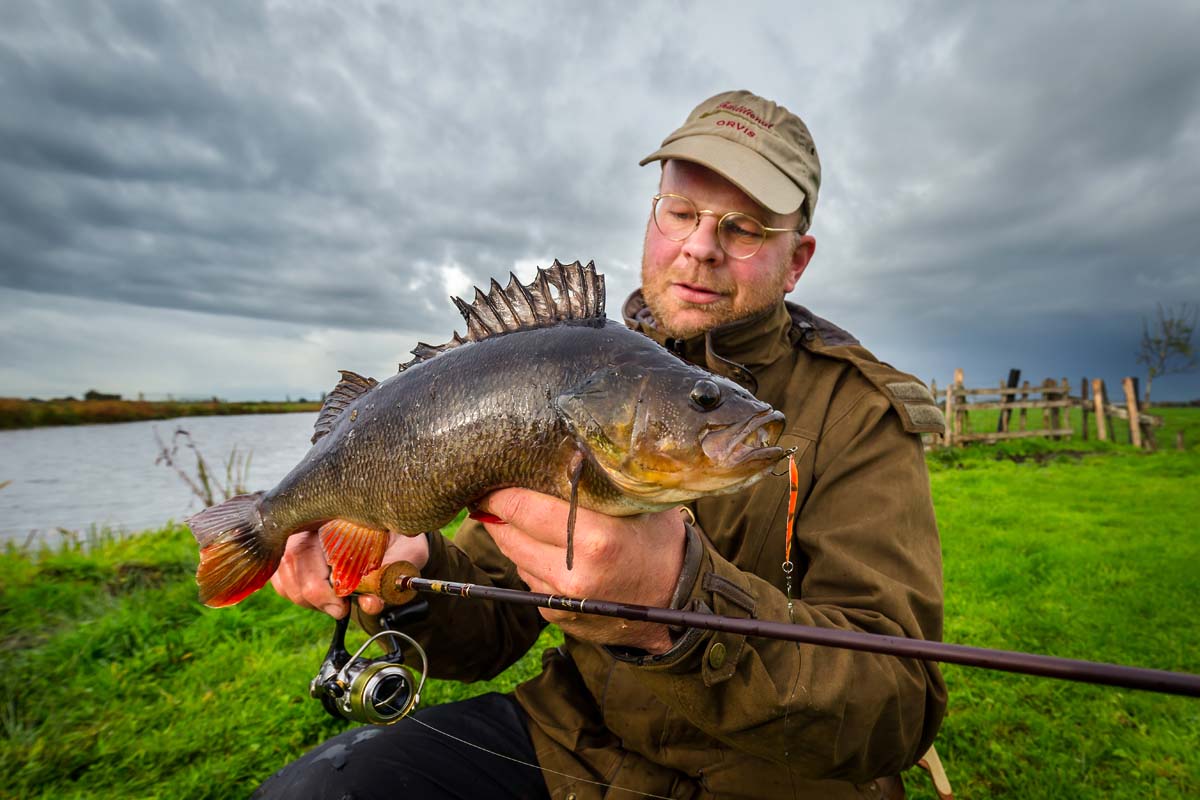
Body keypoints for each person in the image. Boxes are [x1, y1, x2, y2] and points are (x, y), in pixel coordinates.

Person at [255, 90, 947, 800]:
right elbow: (495, 620)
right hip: (579, 744)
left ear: (795, 261)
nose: (700, 247)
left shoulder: (861, 414)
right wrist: (417, 570)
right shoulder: (581, 373)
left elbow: (900, 705)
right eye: (681, 213)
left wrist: (677, 603)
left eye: (743, 228)